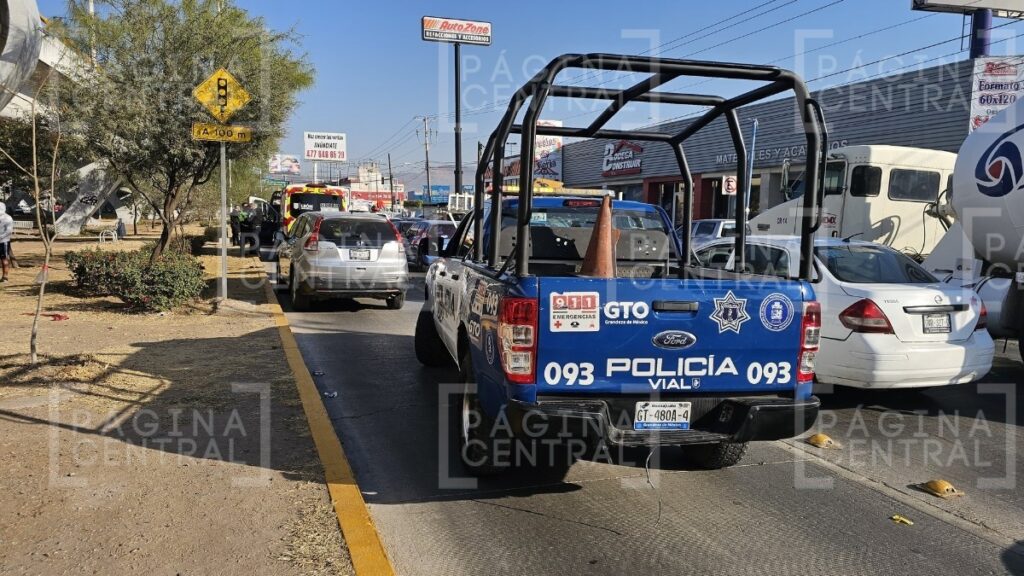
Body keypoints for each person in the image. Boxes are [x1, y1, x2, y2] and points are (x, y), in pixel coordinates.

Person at [0, 202, 13, 283]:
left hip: (3, 241)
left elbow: (9, 231)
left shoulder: (8, 218)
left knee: (4, 259)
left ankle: (5, 277)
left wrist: (1, 237)